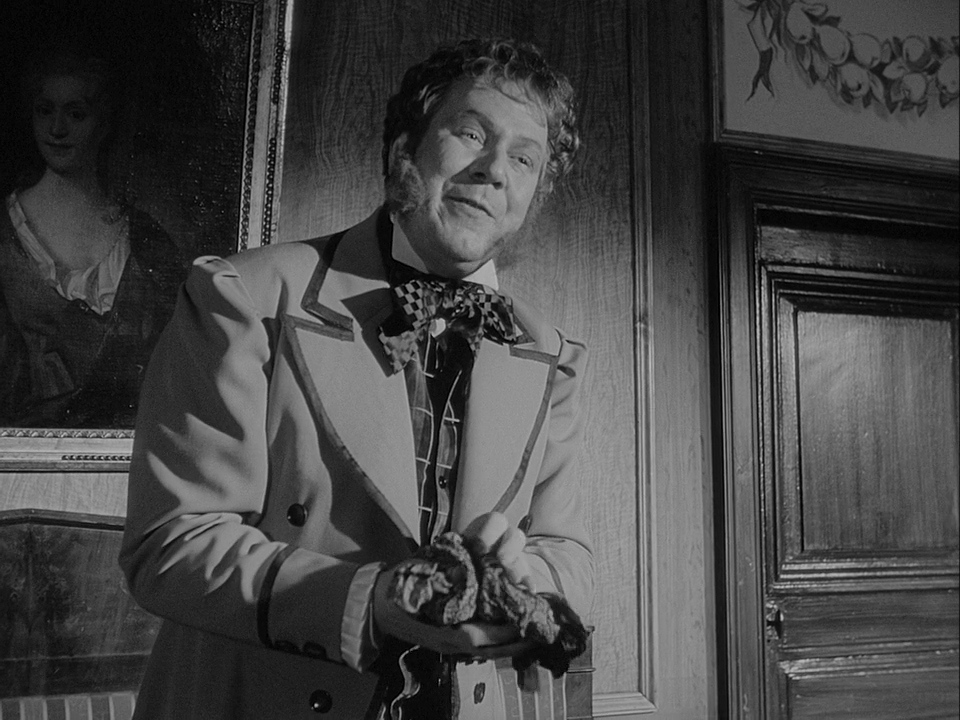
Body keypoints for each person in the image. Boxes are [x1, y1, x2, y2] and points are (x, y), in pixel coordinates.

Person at [119, 37, 593, 719]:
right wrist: (366, 603)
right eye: (470, 134)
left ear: (533, 197)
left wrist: (523, 579)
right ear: (404, 149)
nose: (494, 170)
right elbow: (172, 543)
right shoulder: (245, 298)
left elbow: (566, 556)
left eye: (524, 158)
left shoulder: (551, 355)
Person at [0, 51, 187, 427]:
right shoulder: (5, 231)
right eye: (44, 111)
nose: (56, 129)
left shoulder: (146, 241)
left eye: (76, 114)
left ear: (104, 123)